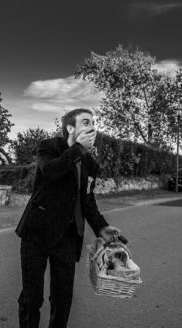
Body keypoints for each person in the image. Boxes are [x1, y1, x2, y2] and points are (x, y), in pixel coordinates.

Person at [15, 108, 123, 328]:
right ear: (70, 128)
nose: (92, 126)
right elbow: (51, 172)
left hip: (68, 237)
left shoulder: (91, 163)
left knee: (63, 298)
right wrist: (78, 149)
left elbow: (87, 200)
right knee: (31, 296)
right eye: (85, 122)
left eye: (93, 122)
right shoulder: (49, 147)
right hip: (37, 233)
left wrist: (101, 227)